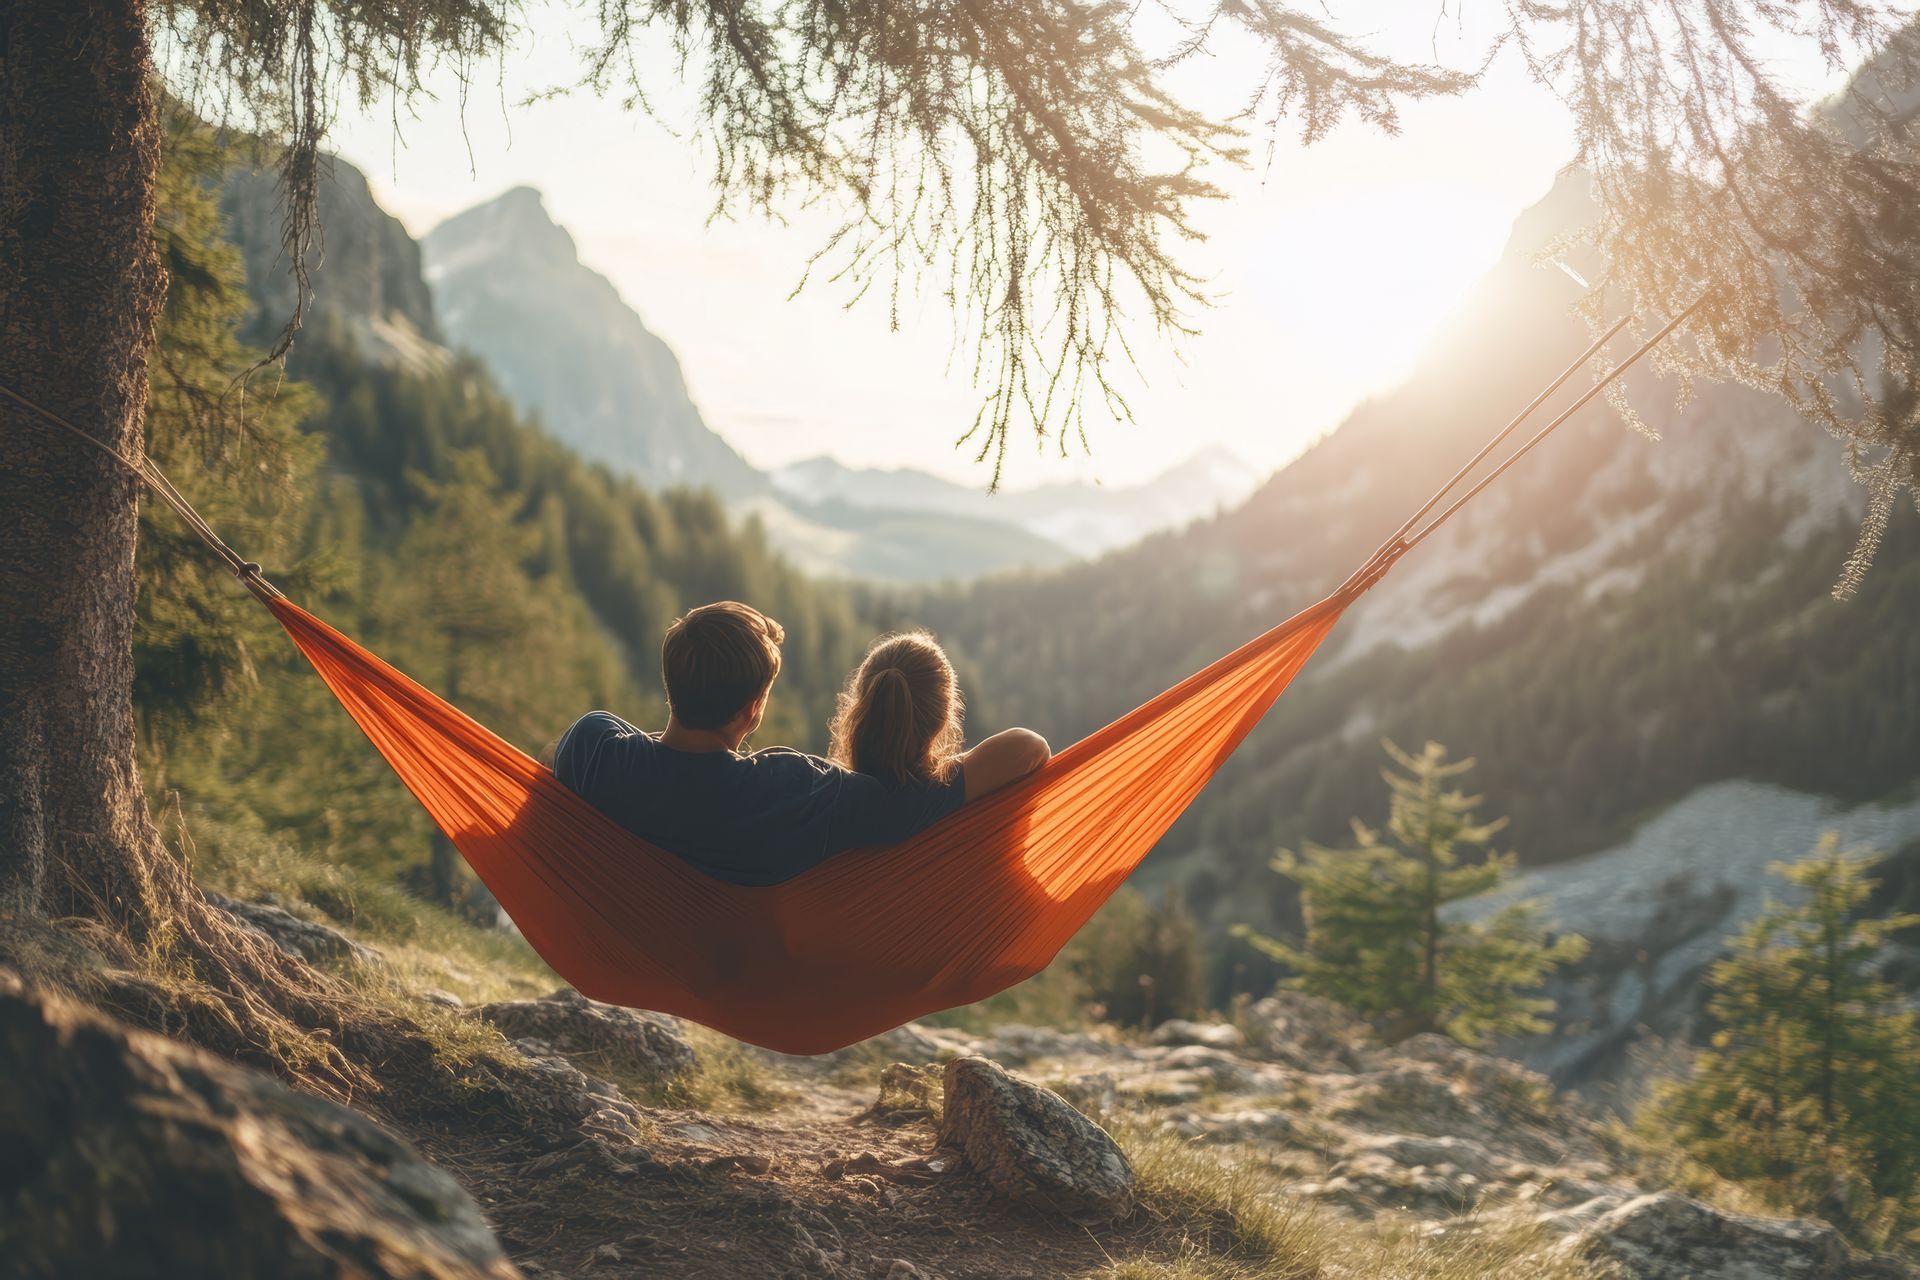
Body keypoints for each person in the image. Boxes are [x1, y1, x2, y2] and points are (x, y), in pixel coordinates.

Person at [544, 602, 1048, 886]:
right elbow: (1026, 748)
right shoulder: (795, 792)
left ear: (670, 682)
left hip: (616, 938)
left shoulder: (596, 747)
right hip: (736, 974)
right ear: (753, 710)